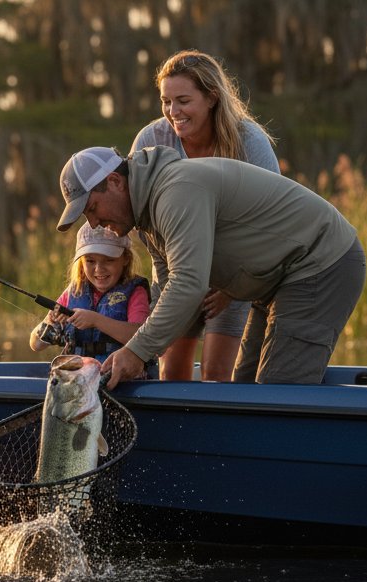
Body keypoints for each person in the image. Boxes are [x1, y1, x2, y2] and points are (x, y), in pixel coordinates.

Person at [54, 145, 365, 389]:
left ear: (115, 181)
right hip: (275, 282)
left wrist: (137, 351)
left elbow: (189, 282)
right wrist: (144, 352)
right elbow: (170, 293)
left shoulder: (176, 192)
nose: (93, 223)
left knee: (276, 394)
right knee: (244, 391)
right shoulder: (146, 220)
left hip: (321, 262)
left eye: (92, 208)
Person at [129, 49, 280, 382]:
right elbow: (145, 223)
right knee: (171, 373)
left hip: (234, 274)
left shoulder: (249, 142)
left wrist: (231, 289)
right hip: (174, 270)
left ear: (212, 98)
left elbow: (269, 225)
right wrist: (177, 285)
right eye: (166, 102)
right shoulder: (152, 141)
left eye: (183, 101)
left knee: (216, 373)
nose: (173, 112)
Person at [29, 222, 152, 364]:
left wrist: (95, 320)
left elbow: (141, 336)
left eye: (109, 260)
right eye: (90, 261)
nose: (99, 269)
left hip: (118, 376)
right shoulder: (74, 291)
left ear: (126, 259)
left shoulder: (136, 292)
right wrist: (50, 327)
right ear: (81, 262)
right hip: (77, 377)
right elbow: (36, 345)